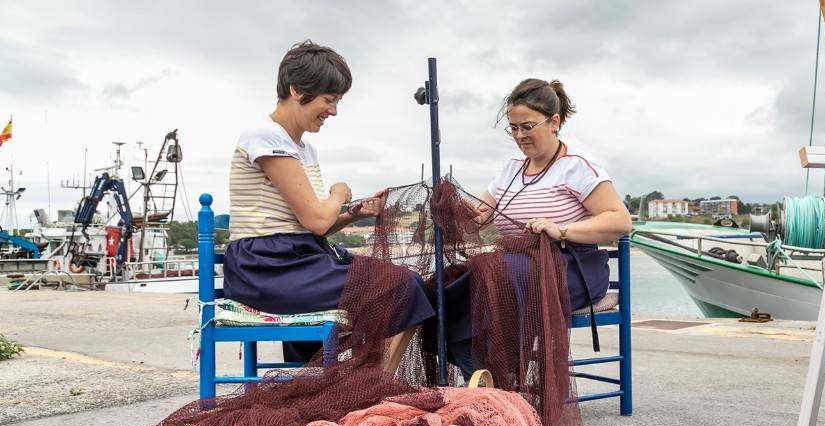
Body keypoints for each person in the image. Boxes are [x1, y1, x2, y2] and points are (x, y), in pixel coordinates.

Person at [222, 40, 434, 368]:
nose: (333, 111)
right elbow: (318, 221)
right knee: (402, 286)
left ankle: (358, 383)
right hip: (265, 267)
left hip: (296, 258)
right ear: (297, 90)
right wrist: (338, 194)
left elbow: (306, 226)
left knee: (406, 286)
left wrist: (352, 214)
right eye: (329, 100)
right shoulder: (264, 136)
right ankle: (368, 387)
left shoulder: (303, 149)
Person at [443, 78, 631, 374]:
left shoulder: (576, 168)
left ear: (554, 122)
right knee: (448, 286)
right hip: (515, 270)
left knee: (498, 277)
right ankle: (484, 376)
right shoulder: (508, 171)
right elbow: (482, 215)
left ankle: (499, 378)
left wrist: (563, 229)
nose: (520, 135)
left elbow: (620, 221)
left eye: (527, 126)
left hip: (570, 272)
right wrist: (471, 217)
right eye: (513, 128)